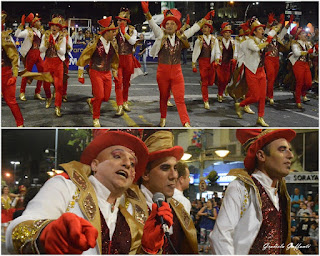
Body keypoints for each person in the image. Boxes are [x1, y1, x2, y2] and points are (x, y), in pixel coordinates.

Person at [6, 130, 149, 254]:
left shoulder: (135, 210)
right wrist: (46, 233)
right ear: (95, 165)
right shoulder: (65, 187)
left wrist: (149, 249)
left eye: (133, 163)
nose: (127, 164)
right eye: (117, 156)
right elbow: (17, 230)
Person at [210, 128, 296, 254]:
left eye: (289, 150)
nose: (290, 155)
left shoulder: (281, 193)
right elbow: (220, 237)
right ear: (261, 156)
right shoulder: (241, 188)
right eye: (282, 150)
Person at [125, 130, 198, 254]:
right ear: (146, 173)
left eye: (175, 168)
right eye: (165, 168)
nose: (174, 175)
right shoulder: (126, 207)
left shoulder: (178, 209)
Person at [141, 2, 212, 127]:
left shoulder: (181, 37)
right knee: (163, 97)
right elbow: (152, 24)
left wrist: (205, 19)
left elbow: (194, 28)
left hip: (177, 73)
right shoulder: (160, 35)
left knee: (180, 99)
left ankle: (186, 123)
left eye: (172, 23)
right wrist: (147, 12)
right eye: (167, 23)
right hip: (162, 72)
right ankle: (163, 118)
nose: (169, 25)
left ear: (176, 26)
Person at [235, 17, 281, 127]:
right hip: (251, 71)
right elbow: (257, 48)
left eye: (262, 29)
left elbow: (270, 37)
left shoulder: (261, 40)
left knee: (262, 96)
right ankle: (240, 104)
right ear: (254, 32)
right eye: (260, 29)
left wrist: (278, 26)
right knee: (255, 96)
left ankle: (260, 117)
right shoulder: (249, 42)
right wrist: (268, 39)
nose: (262, 31)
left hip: (261, 70)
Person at [77, 16, 119, 127]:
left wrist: (115, 73)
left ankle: (91, 101)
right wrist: (80, 74)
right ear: (106, 32)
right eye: (112, 31)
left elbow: (114, 59)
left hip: (107, 73)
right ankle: (96, 118)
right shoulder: (95, 44)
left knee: (106, 97)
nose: (114, 33)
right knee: (100, 96)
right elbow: (83, 57)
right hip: (95, 72)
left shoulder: (113, 45)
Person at [39, 16, 66, 117]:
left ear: (59, 28)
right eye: (52, 26)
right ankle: (48, 97)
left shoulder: (62, 37)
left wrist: (55, 44)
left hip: (58, 63)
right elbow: (41, 50)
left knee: (59, 86)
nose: (54, 28)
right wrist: (47, 44)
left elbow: (63, 51)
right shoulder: (45, 36)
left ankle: (57, 107)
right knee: (45, 85)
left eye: (56, 26)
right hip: (48, 62)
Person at [14, 13, 45, 101]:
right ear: (34, 23)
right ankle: (22, 92)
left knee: (42, 72)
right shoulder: (28, 31)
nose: (40, 22)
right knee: (26, 72)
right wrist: (21, 25)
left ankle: (37, 92)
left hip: (38, 53)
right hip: (31, 53)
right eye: (38, 21)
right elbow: (17, 35)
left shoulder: (40, 32)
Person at [1, 11, 24, 127]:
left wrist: (14, 75)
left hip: (4, 72)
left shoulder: (4, 37)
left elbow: (15, 57)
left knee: (11, 101)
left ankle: (20, 124)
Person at [114, 7, 138, 115]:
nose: (119, 22)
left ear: (126, 21)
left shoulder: (133, 30)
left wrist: (124, 33)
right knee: (118, 83)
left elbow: (133, 42)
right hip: (118, 59)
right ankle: (119, 105)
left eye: (121, 20)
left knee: (126, 82)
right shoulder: (114, 31)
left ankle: (125, 101)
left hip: (128, 58)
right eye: (118, 20)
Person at [192, 14, 219, 109]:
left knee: (211, 81)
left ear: (210, 29)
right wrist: (194, 63)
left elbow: (217, 51)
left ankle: (204, 82)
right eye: (203, 27)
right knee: (204, 81)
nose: (204, 29)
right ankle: (205, 100)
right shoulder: (199, 40)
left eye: (206, 27)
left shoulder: (214, 39)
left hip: (211, 62)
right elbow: (195, 52)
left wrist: (217, 59)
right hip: (203, 62)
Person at [289, 25, 314, 109]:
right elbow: (296, 53)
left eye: (305, 33)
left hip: (306, 64)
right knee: (300, 81)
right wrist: (307, 52)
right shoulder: (294, 43)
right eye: (303, 33)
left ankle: (303, 93)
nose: (305, 35)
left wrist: (316, 50)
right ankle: (298, 100)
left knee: (308, 82)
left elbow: (313, 53)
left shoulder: (308, 43)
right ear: (299, 35)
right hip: (298, 64)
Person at [216, 22, 237, 103]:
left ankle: (224, 90)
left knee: (227, 79)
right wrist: (218, 59)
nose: (228, 34)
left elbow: (236, 51)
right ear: (223, 33)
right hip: (221, 64)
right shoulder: (219, 41)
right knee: (221, 79)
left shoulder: (233, 41)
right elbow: (217, 51)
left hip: (229, 64)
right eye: (226, 32)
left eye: (229, 32)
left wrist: (235, 58)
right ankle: (220, 94)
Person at [61, 19, 73, 102]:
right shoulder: (56, 37)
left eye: (64, 29)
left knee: (64, 76)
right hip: (57, 59)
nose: (63, 31)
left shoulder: (69, 38)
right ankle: (57, 91)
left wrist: (65, 41)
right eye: (62, 29)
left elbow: (70, 49)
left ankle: (64, 93)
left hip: (65, 59)